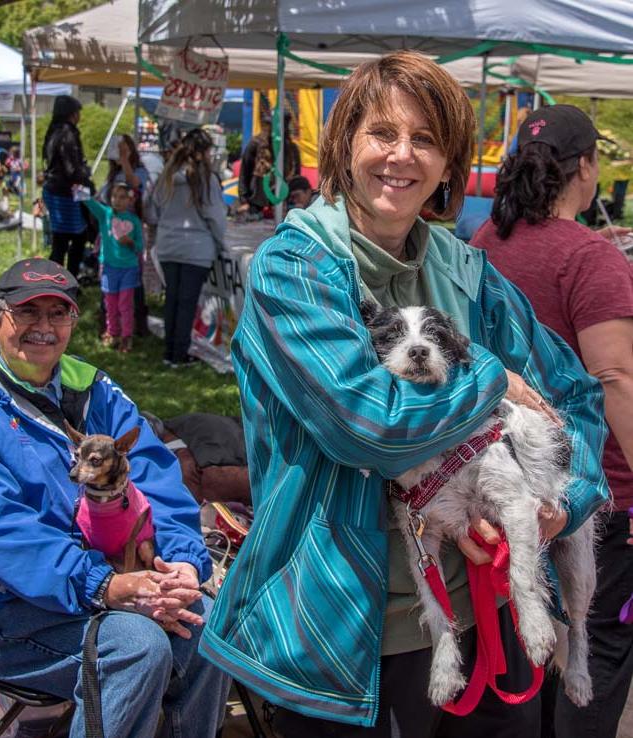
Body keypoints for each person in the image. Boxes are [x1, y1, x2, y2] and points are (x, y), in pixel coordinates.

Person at [198, 52, 608, 738]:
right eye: (381, 133)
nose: (401, 156)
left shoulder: (468, 272)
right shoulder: (293, 269)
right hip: (342, 629)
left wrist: (557, 505)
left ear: (450, 165)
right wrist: (488, 378)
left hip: (484, 612)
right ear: (344, 146)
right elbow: (368, 426)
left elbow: (576, 395)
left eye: (424, 139)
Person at [0, 257, 230, 738]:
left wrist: (182, 564)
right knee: (135, 645)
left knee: (207, 619)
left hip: (107, 582)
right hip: (4, 610)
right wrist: (103, 587)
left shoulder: (92, 388)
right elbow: (2, 532)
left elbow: (159, 480)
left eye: (59, 314)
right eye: (28, 313)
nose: (45, 328)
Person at [470, 104, 633, 738]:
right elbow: (616, 378)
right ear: (585, 167)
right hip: (595, 494)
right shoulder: (590, 256)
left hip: (507, 483)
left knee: (530, 643)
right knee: (595, 651)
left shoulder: (485, 242)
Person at [145, 128, 226, 368]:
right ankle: (179, 354)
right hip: (196, 248)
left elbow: (152, 209)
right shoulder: (205, 179)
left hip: (169, 244)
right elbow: (215, 216)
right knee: (187, 302)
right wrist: (221, 245)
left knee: (172, 299)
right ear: (204, 152)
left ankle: (170, 351)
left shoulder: (167, 176)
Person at [85, 183, 143, 353]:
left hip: (128, 269)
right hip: (110, 268)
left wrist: (130, 242)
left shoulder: (134, 221)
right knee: (110, 303)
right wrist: (80, 191)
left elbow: (140, 247)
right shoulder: (106, 215)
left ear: (130, 200)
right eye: (114, 196)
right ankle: (112, 332)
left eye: (122, 197)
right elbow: (91, 203)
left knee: (125, 305)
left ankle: (126, 337)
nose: (117, 200)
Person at [42, 95, 94, 278]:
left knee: (61, 240)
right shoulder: (67, 133)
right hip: (65, 193)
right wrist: (87, 181)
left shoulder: (54, 131)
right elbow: (71, 168)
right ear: (72, 114)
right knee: (75, 239)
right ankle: (66, 281)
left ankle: (56, 281)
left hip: (56, 190)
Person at [237, 111, 301, 218]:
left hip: (282, 205)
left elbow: (296, 178)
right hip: (256, 204)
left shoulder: (291, 148)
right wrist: (244, 201)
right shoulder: (255, 145)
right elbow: (245, 173)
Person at [100, 135, 150, 217]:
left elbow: (134, 183)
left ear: (131, 151)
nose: (118, 154)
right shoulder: (114, 173)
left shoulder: (140, 171)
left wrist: (124, 159)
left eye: (123, 151)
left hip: (128, 222)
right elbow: (102, 197)